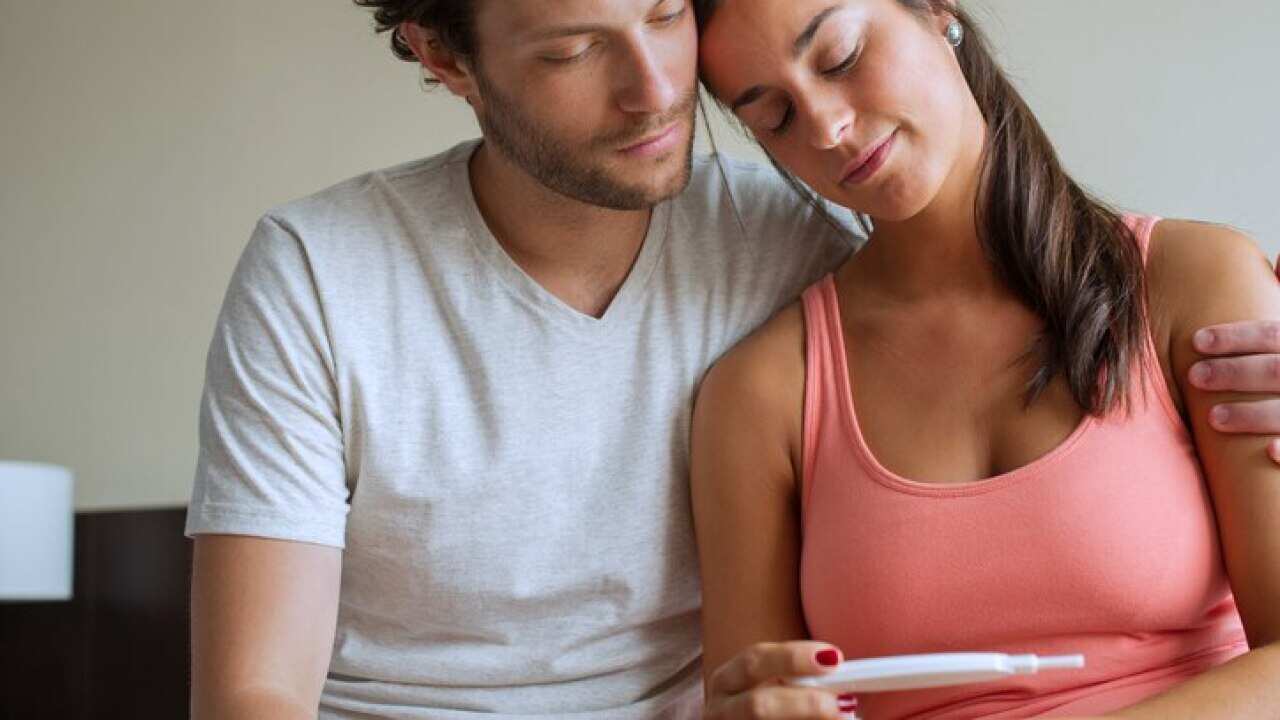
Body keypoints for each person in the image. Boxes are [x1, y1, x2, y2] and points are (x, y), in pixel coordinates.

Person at [188, 1, 1280, 719]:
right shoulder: (322, 273)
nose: (655, 90)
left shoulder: (797, 229)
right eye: (572, 49)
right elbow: (250, 693)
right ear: (443, 58)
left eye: (665, 13)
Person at [688, 1, 1280, 718]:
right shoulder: (761, 395)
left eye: (840, 56)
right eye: (774, 117)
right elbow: (762, 698)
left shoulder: (1196, 284)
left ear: (937, 11)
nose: (827, 127)